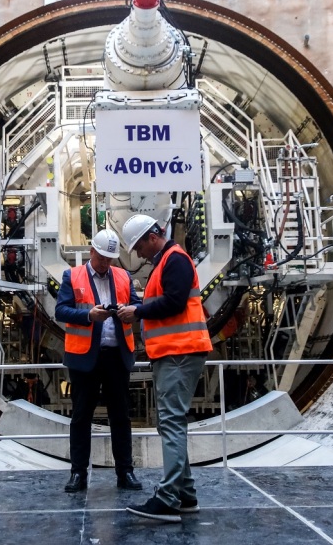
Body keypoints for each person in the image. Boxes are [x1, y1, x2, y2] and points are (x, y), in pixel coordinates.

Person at [117, 214, 213, 523]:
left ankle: (168, 498)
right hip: (173, 353)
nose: (139, 254)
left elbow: (174, 302)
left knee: (171, 423)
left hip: (180, 352)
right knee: (170, 423)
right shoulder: (166, 262)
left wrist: (138, 312)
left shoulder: (175, 260)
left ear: (152, 237)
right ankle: (185, 494)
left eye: (139, 247)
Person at [54, 229, 143, 493]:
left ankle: (125, 472)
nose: (105, 263)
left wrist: (130, 311)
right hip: (84, 358)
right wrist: (89, 316)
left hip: (117, 355)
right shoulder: (72, 276)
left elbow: (136, 305)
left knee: (121, 416)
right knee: (81, 416)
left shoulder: (123, 276)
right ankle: (78, 473)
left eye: (109, 259)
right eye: (102, 257)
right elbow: (61, 311)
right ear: (92, 251)